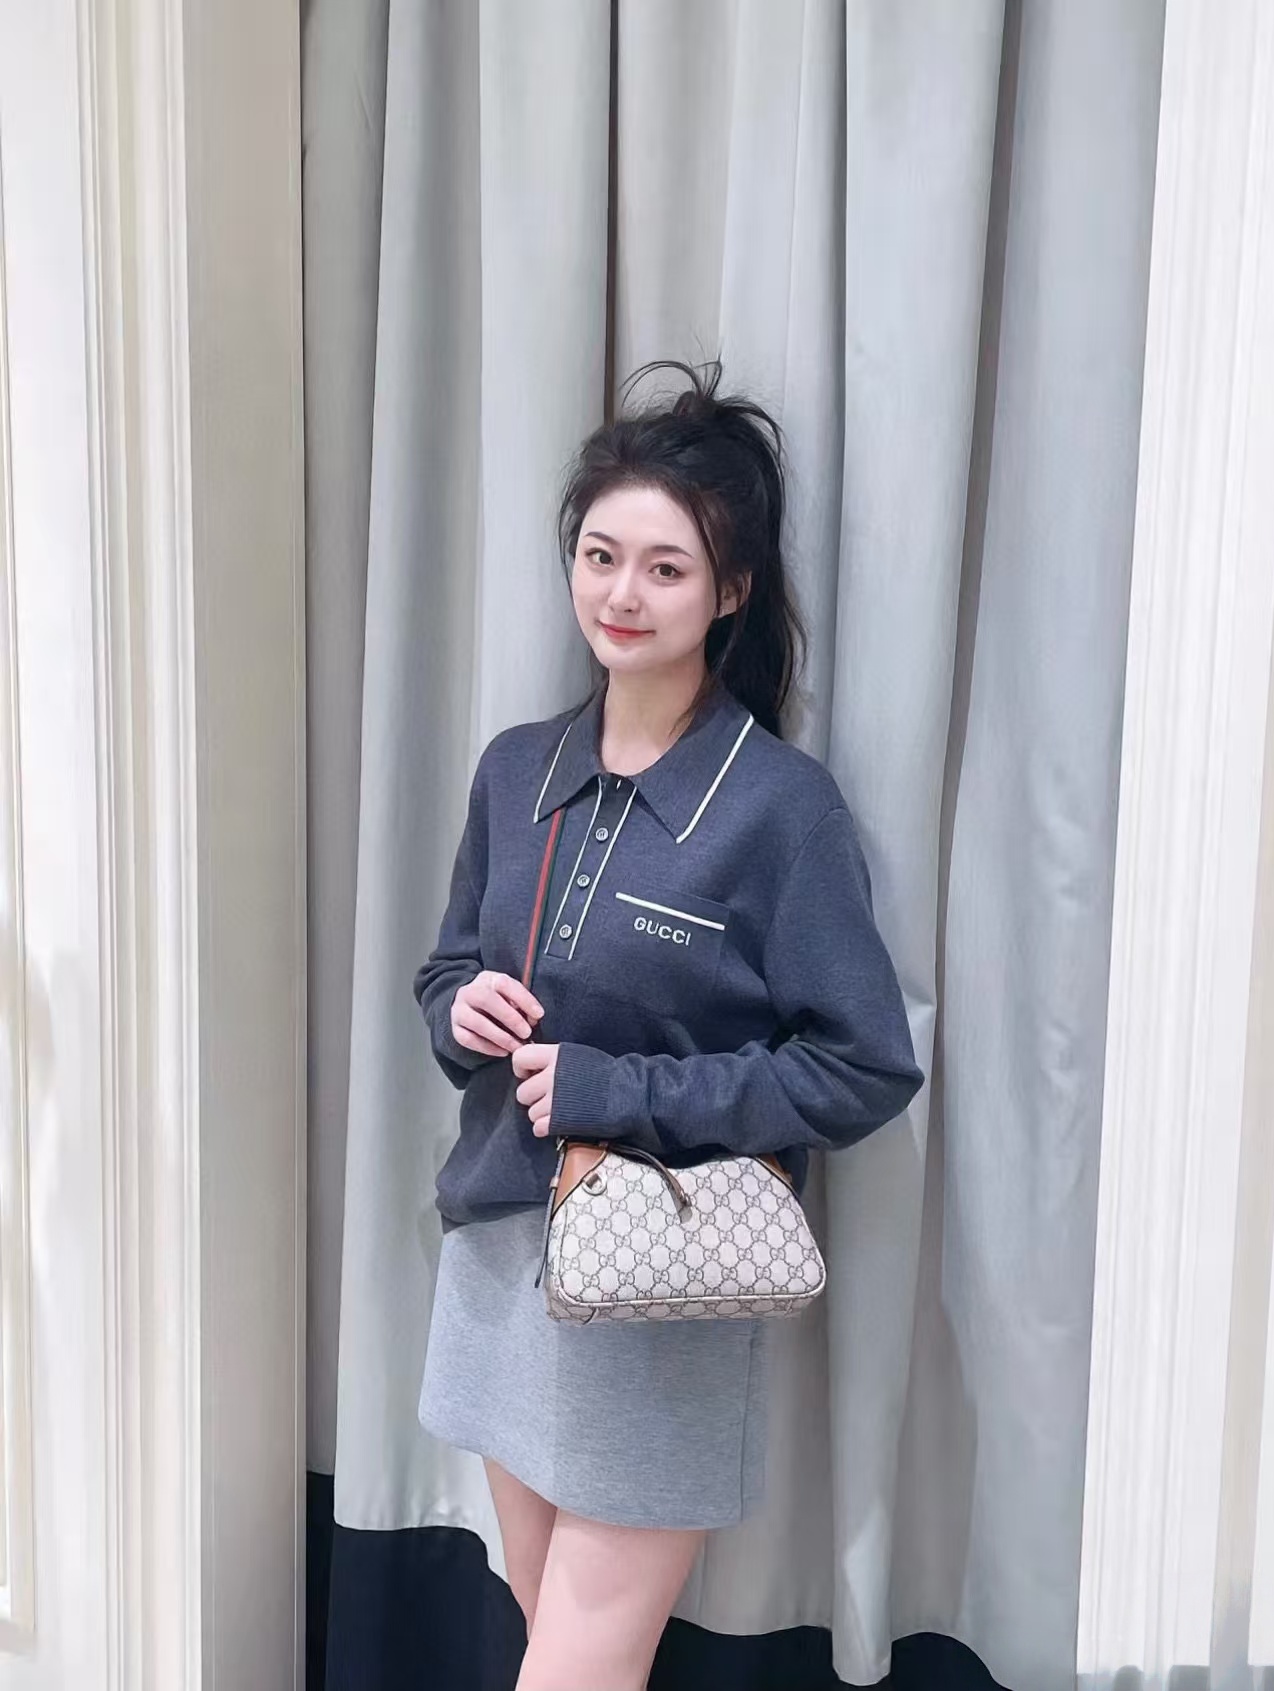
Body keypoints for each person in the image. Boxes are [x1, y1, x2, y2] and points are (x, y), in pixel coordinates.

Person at [413, 358, 924, 1691]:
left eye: (665, 568)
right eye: (600, 557)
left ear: (730, 590)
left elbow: (863, 1064)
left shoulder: (780, 809)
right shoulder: (516, 769)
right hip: (500, 1257)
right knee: (568, 1655)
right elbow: (445, 971)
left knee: (572, 1672)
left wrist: (622, 1090)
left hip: (660, 1290)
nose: (622, 595)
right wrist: (461, 1006)